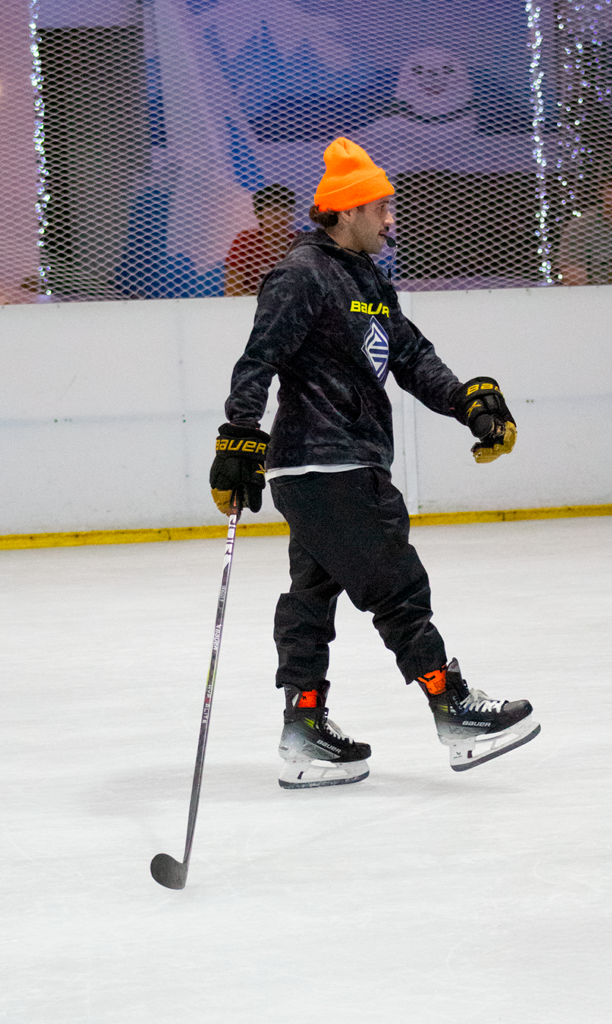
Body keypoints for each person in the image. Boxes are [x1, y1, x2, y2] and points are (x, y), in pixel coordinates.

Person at [209, 137, 539, 789]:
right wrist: (237, 441)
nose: (390, 218)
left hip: (338, 466)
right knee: (395, 586)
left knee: (311, 595)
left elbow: (412, 358)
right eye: (380, 207)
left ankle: (304, 731)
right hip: (322, 465)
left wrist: (470, 403)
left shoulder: (365, 279)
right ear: (346, 211)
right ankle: (454, 711)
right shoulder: (299, 274)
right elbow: (258, 361)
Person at [224, 184, 297, 296]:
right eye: (274, 209)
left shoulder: (302, 243)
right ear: (259, 215)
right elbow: (232, 291)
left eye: (287, 208)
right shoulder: (245, 242)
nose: (281, 215)